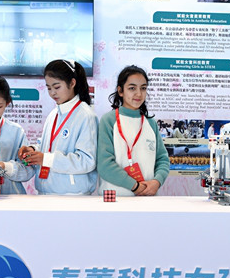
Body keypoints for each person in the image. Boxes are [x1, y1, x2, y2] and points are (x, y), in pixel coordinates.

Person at [19, 60, 98, 195]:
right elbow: (48, 146)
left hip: (73, 196)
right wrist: (34, 150)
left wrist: (46, 159)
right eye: (49, 88)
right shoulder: (54, 114)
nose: (52, 93)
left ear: (72, 83)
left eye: (57, 87)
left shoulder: (86, 116)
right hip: (45, 192)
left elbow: (87, 161)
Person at [97, 65, 170, 196]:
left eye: (143, 88)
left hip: (147, 198)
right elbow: (105, 165)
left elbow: (162, 159)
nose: (139, 94)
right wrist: (135, 186)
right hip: (115, 198)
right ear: (120, 91)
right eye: (132, 88)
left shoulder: (150, 123)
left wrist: (157, 181)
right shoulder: (109, 120)